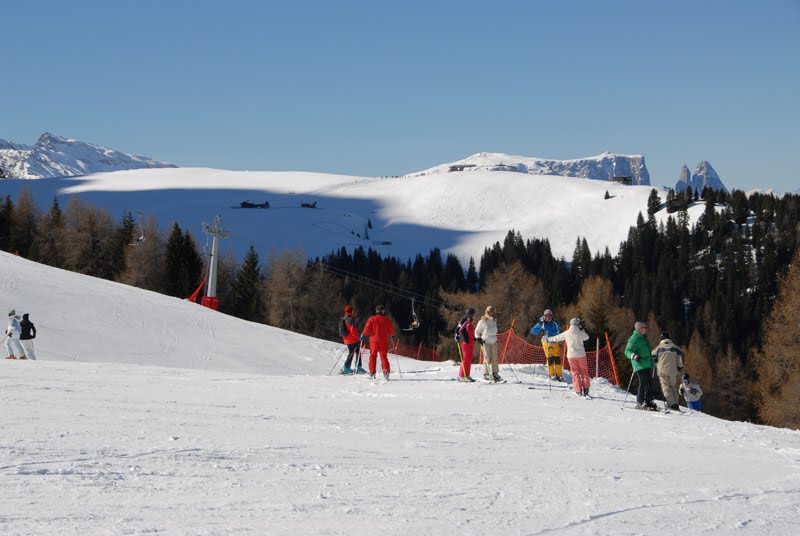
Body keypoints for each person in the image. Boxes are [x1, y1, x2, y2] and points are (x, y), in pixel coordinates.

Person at [548, 318, 591, 396]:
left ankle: (578, 390)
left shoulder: (567, 333)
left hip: (571, 356)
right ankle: (586, 389)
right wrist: (582, 329)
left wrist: (549, 339)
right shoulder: (581, 333)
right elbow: (587, 337)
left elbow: (557, 338)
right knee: (584, 372)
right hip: (581, 355)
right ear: (578, 325)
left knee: (575, 373)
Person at [625, 321, 657, 410]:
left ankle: (649, 400)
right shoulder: (634, 338)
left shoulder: (643, 337)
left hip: (647, 364)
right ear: (639, 329)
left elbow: (646, 351)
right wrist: (633, 356)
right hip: (640, 364)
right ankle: (640, 402)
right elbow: (627, 351)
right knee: (643, 382)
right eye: (644, 328)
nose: (646, 329)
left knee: (650, 382)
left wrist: (652, 358)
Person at [652, 331, 685, 411]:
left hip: (662, 370)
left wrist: (655, 362)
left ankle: (672, 404)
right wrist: (680, 366)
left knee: (666, 387)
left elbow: (653, 355)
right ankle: (676, 404)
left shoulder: (658, 347)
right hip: (672, 370)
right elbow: (680, 356)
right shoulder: (674, 347)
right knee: (673, 386)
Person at [361, 305, 395, 380]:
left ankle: (372, 373)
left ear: (376, 311)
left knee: (373, 356)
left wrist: (363, 334)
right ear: (382, 311)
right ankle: (386, 372)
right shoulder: (387, 320)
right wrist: (392, 335)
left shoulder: (372, 319)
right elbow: (391, 330)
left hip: (374, 341)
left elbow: (367, 328)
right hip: (383, 341)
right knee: (383, 357)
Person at [530, 309, 563, 381]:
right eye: (547, 316)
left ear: (552, 316)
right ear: (544, 316)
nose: (548, 317)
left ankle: (559, 375)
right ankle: (552, 375)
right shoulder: (541, 323)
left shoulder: (555, 323)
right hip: (546, 342)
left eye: (550, 316)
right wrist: (540, 331)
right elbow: (532, 331)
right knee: (550, 358)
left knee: (557, 359)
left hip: (555, 341)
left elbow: (559, 331)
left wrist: (559, 339)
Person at [475, 306, 502, 382]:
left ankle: (495, 373)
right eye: (491, 311)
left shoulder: (494, 320)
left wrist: (496, 339)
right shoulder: (483, 321)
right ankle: (486, 373)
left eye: (493, 311)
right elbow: (477, 331)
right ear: (487, 311)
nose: (492, 312)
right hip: (485, 340)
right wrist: (479, 338)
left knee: (495, 358)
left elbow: (494, 330)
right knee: (487, 357)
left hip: (493, 340)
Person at [340, 305, 365, 374]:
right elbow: (353, 331)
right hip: (352, 339)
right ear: (351, 311)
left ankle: (346, 368)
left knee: (351, 352)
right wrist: (359, 338)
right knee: (358, 351)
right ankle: (358, 367)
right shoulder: (350, 319)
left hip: (346, 339)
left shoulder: (344, 319)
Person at [455, 308, 477, 382]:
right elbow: (458, 329)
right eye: (473, 314)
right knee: (465, 359)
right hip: (465, 343)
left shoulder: (469, 322)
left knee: (469, 360)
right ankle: (461, 376)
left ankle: (467, 375)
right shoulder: (464, 321)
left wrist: (474, 338)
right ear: (470, 314)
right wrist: (457, 336)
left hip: (470, 343)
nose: (474, 316)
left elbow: (469, 333)